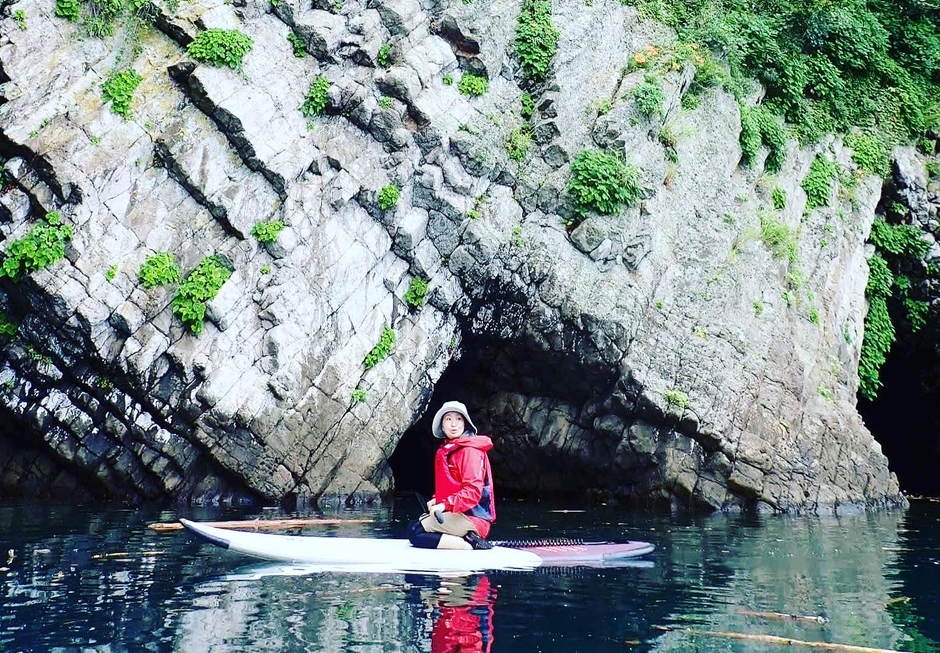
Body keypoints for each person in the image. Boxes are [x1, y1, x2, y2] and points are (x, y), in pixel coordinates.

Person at [408, 401, 496, 550]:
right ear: (442, 426)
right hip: (460, 514)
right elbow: (452, 485)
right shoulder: (451, 450)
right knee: (419, 522)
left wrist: (444, 505)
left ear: (465, 424)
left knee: (416, 532)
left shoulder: (470, 451)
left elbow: (472, 492)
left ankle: (469, 544)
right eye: (448, 419)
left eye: (459, 419)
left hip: (474, 519)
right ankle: (465, 536)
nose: (453, 424)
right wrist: (437, 500)